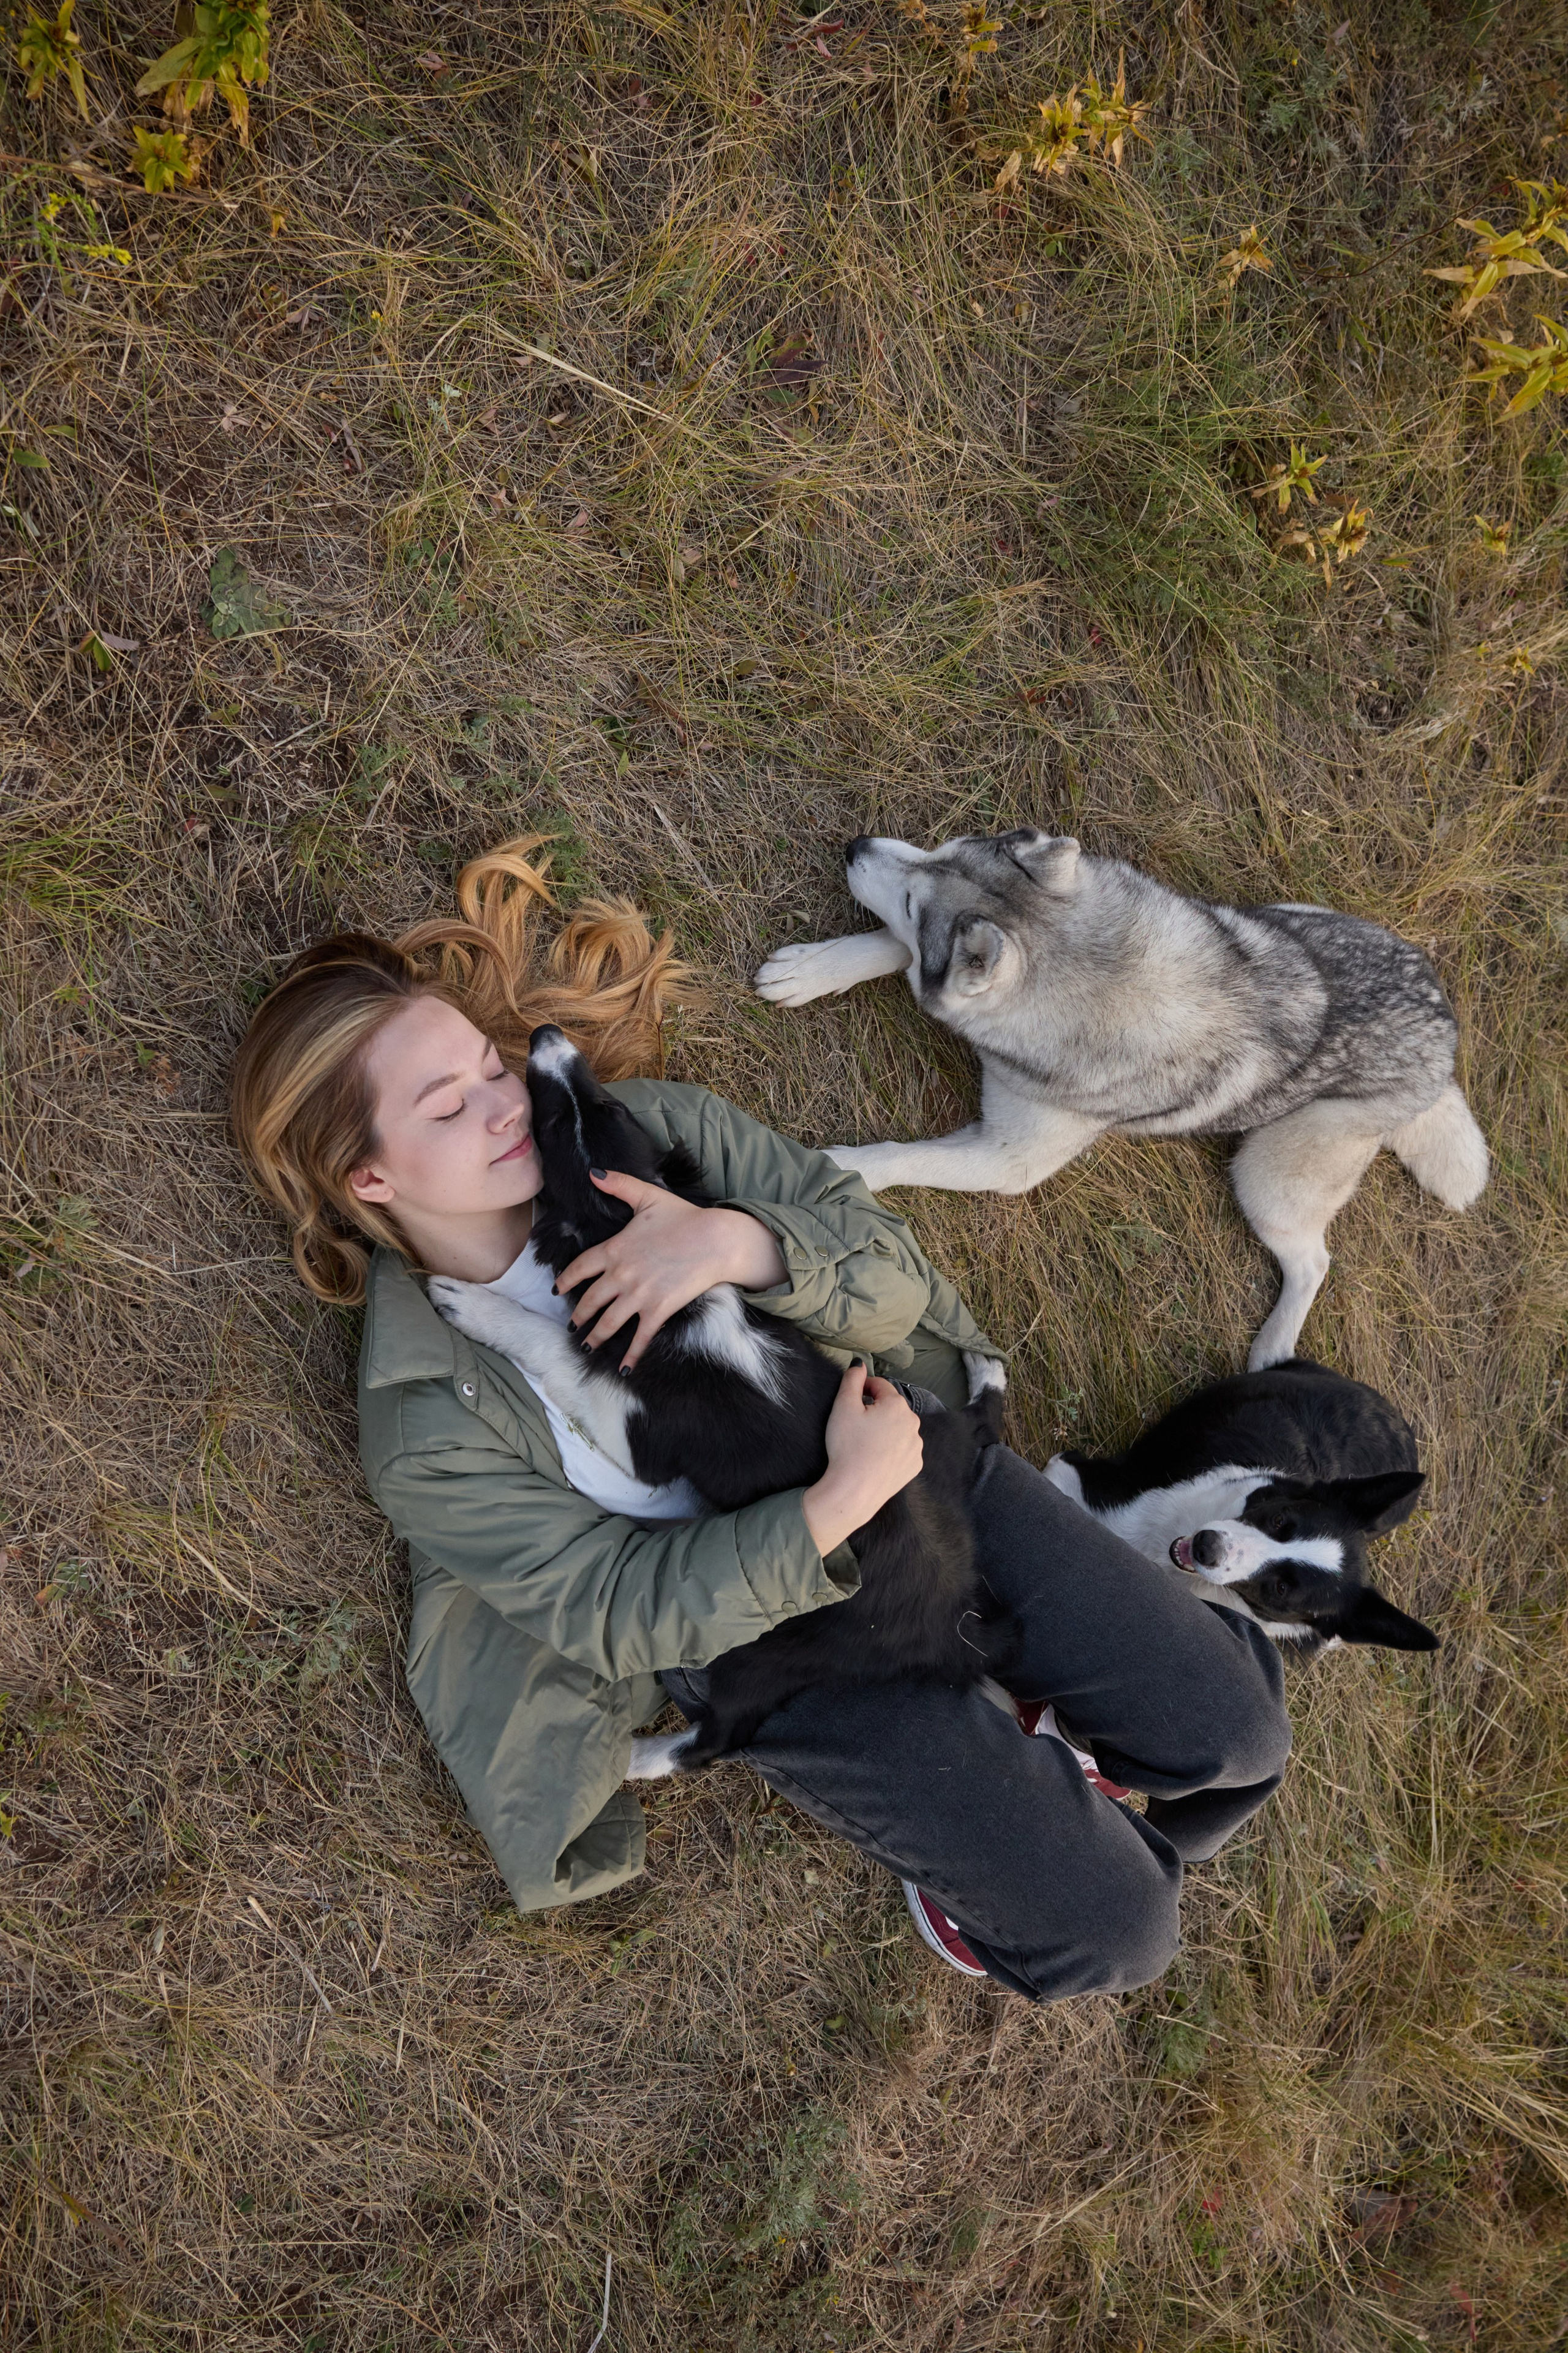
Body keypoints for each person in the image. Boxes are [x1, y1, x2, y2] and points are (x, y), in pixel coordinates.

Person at [231, 839, 1291, 2000]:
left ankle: (1051, 1740)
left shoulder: (646, 1127)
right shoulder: (427, 1414)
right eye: (448, 1108)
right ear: (371, 1180)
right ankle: (996, 1855)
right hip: (788, 1646)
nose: (505, 1108)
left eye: (489, 1069)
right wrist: (830, 1506)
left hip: (925, 1478)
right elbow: (608, 1610)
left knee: (1239, 1729)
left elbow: (891, 1274)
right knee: (1125, 1932)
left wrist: (743, 1241)